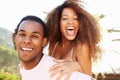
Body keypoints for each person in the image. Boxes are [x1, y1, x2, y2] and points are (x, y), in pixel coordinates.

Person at [13, 15, 92, 80]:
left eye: (34, 36)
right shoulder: (23, 67)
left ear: (44, 42)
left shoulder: (57, 72)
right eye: (22, 34)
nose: (27, 41)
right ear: (14, 38)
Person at [46, 0, 101, 80]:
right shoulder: (54, 44)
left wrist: (77, 66)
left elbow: (87, 78)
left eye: (75, 19)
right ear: (58, 23)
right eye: (65, 19)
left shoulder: (81, 47)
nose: (70, 22)